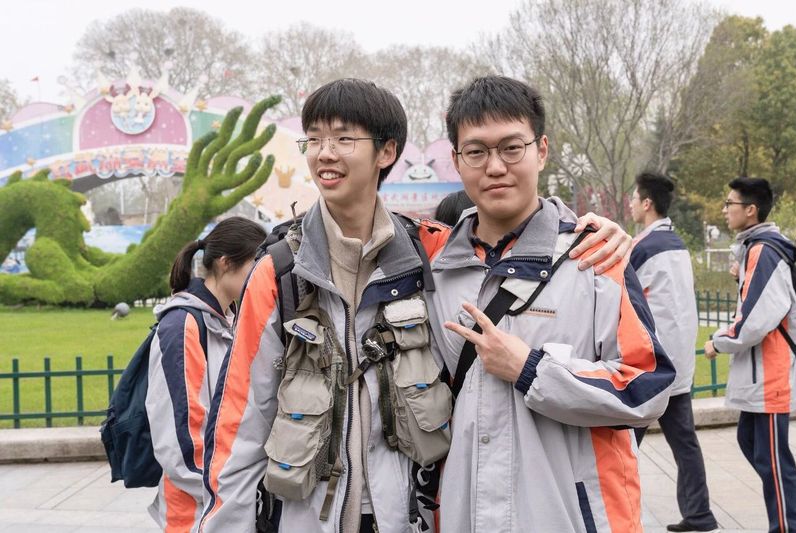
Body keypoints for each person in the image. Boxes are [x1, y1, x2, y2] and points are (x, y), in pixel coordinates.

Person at [199, 78, 632, 533]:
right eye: (315, 139)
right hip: (307, 517)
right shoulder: (280, 271)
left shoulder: (429, 253)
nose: (325, 153)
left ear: (387, 151)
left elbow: (501, 244)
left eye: (344, 138)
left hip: (405, 517)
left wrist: (591, 231)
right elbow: (240, 422)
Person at [431, 75, 676, 533]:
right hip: (467, 513)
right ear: (456, 160)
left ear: (541, 150)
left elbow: (650, 388)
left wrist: (532, 370)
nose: (495, 167)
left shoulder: (596, 258)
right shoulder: (437, 267)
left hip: (570, 515)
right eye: (476, 151)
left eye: (512, 148)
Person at [145, 216, 266, 531]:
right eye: (255, 265)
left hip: (228, 500)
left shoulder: (230, 319)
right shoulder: (182, 326)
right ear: (226, 263)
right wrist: (226, 495)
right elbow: (178, 438)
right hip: (195, 511)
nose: (262, 276)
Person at [704, 177, 796, 533]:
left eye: (730, 203)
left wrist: (719, 341)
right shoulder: (755, 249)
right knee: (753, 445)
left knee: (773, 461)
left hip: (771, 373)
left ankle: (788, 525)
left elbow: (757, 319)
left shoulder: (763, 251)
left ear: (751, 210)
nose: (725, 210)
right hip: (761, 372)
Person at [629, 172, 718, 533]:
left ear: (647, 203)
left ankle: (616, 516)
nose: (631, 204)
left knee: (622, 444)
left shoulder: (643, 248)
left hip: (650, 367)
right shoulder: (677, 244)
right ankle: (699, 514)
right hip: (677, 365)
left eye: (634, 198)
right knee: (685, 444)